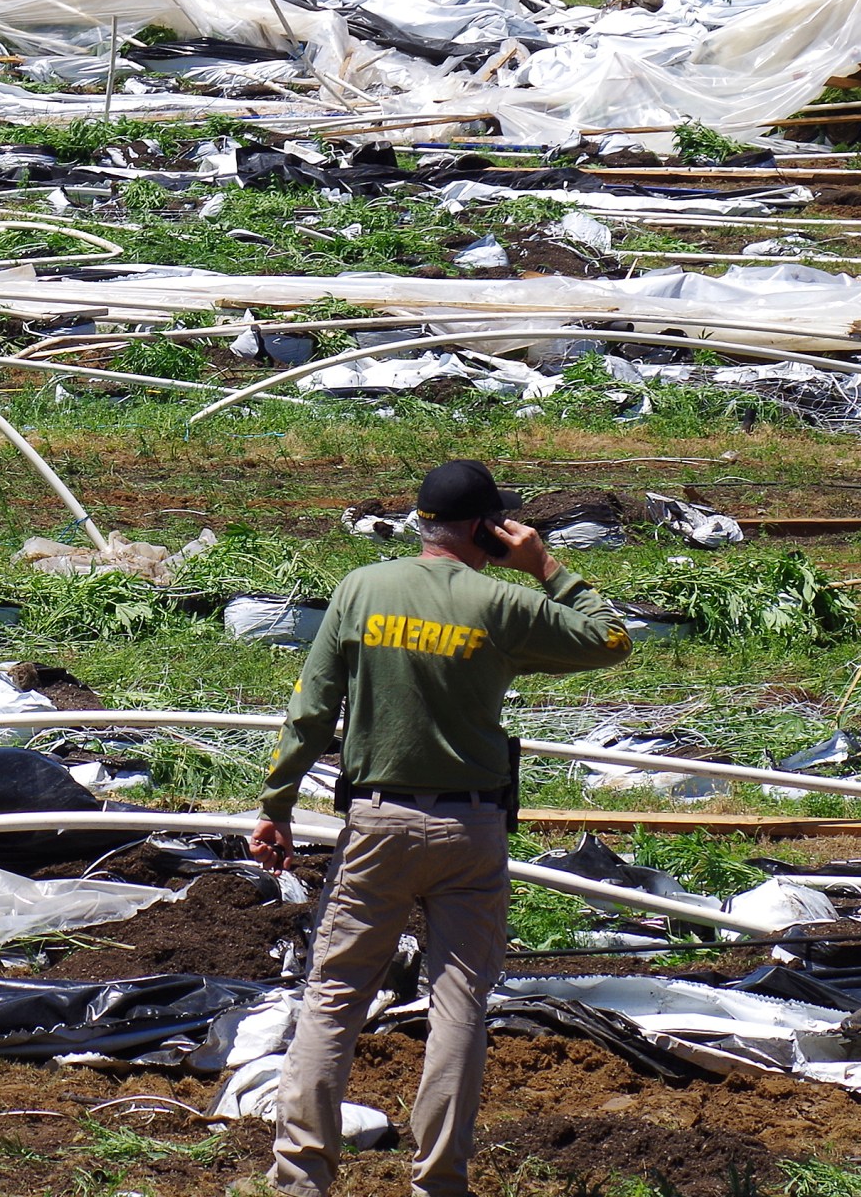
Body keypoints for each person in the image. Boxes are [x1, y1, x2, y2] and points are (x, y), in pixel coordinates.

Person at [238, 459, 634, 1197]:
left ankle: (301, 1178)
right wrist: (544, 564)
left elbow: (311, 709)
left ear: (421, 520)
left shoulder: (361, 589)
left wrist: (276, 807)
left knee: (333, 997)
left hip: (377, 826)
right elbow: (611, 640)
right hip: (471, 831)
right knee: (459, 1005)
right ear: (487, 528)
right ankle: (439, 1184)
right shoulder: (499, 606)